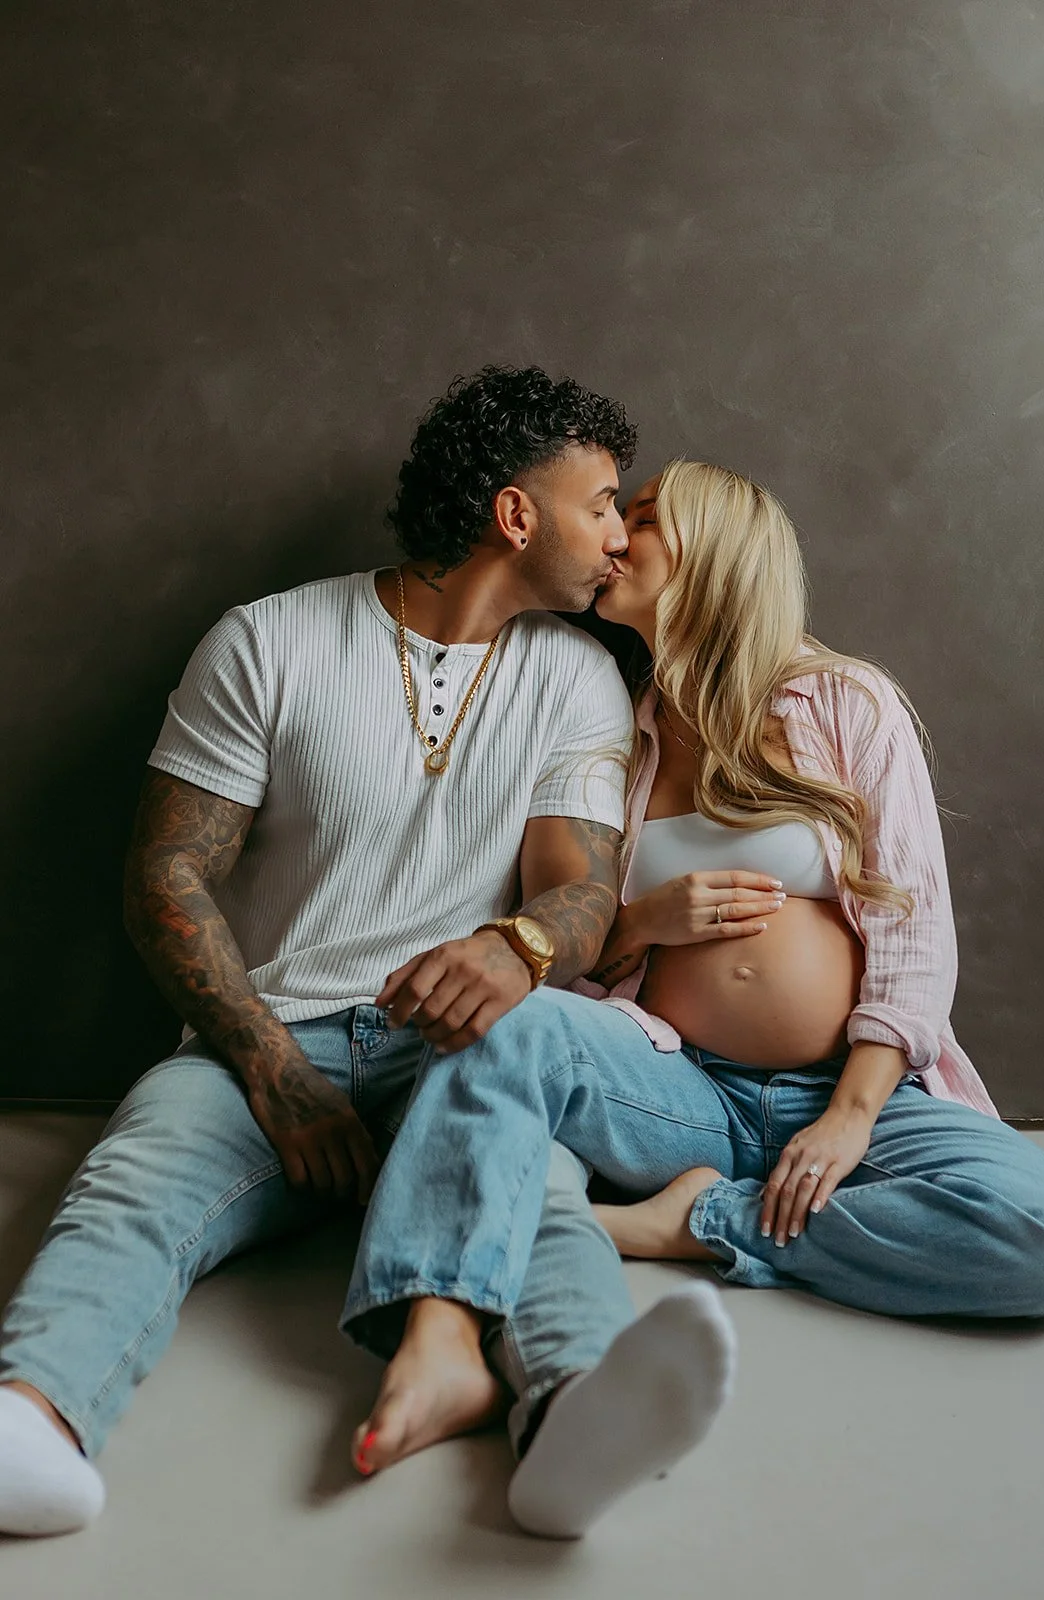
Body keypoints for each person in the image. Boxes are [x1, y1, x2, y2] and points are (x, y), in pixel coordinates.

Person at [0, 373, 738, 1543]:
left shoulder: (575, 672)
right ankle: (31, 1422)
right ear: (513, 514)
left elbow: (580, 883)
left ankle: (570, 1418)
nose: (618, 535)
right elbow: (167, 877)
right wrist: (267, 1066)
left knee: (538, 1198)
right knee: (137, 1176)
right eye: (600, 503)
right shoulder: (268, 639)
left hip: (457, 1047)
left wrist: (522, 943)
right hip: (266, 1032)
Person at [343, 460, 1044, 1478]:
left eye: (639, 518)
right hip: (680, 1089)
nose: (610, 537)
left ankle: (692, 1223)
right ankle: (435, 1336)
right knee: (502, 1021)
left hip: (853, 1090)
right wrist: (644, 922)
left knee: (1042, 1236)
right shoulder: (620, 728)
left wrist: (849, 1113)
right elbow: (582, 933)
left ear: (714, 553)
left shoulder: (839, 702)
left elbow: (913, 931)